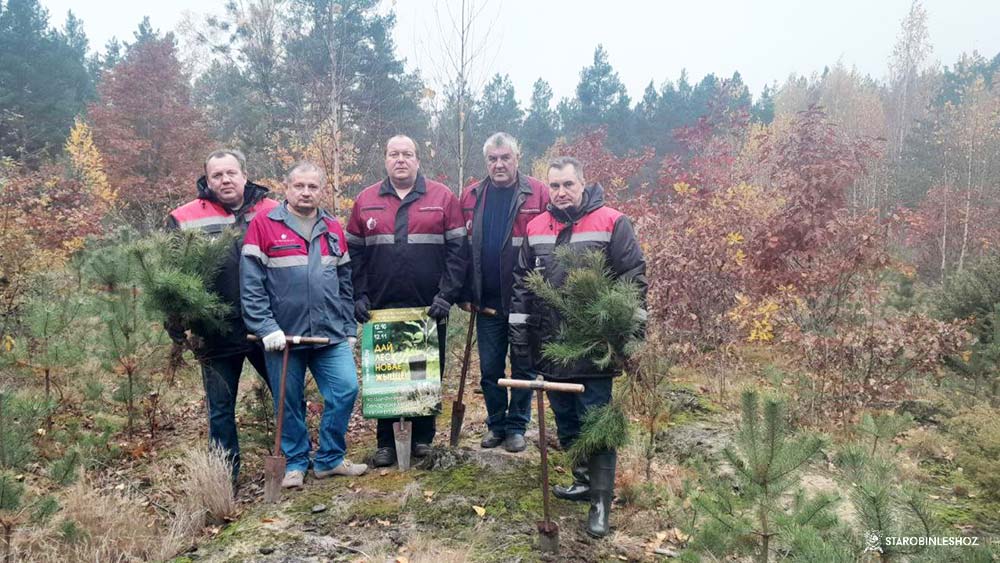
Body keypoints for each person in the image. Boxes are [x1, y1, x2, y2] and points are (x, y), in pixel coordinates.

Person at [509, 156, 647, 538]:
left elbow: (633, 277)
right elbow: (522, 284)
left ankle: (601, 502)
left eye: (568, 184)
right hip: (551, 346)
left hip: (594, 347)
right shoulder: (536, 227)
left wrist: (630, 335)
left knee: (596, 423)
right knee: (566, 419)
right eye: (554, 186)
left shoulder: (612, 222)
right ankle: (583, 479)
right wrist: (519, 335)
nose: (561, 192)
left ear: (583, 183)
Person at [241, 161, 368, 489]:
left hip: (329, 333)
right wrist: (266, 327)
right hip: (284, 336)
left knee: (346, 389)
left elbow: (344, 282)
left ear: (321, 190)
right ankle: (296, 462)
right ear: (287, 187)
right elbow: (251, 284)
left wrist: (348, 328)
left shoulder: (332, 226)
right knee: (288, 399)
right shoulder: (264, 225)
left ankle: (329, 459)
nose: (306, 192)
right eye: (300, 186)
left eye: (313, 187)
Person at [346, 135, 466, 467]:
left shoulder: (442, 197)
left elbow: (458, 253)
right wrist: (358, 294)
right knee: (384, 371)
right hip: (381, 309)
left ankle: (423, 438)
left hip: (428, 308)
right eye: (394, 154)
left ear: (417, 160)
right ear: (385, 159)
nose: (401, 159)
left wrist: (447, 294)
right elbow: (352, 256)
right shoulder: (365, 200)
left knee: (423, 371)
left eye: (407, 154)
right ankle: (385, 440)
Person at [166, 149, 277, 482]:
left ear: (245, 175)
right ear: (207, 180)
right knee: (221, 410)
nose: (225, 180)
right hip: (214, 330)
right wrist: (176, 322)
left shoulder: (274, 211)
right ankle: (227, 478)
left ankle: (296, 461)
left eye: (231, 173)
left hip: (267, 325)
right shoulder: (184, 218)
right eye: (217, 175)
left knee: (286, 396)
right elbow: (173, 275)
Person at [459, 133, 549, 453]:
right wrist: (464, 292)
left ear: (517, 158)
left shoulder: (539, 193)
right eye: (493, 159)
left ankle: (517, 427)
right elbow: (462, 250)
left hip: (525, 300)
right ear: (487, 162)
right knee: (490, 369)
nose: (499, 164)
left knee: (524, 366)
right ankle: (496, 424)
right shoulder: (471, 196)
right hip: (486, 302)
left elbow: (553, 242)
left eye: (505, 158)